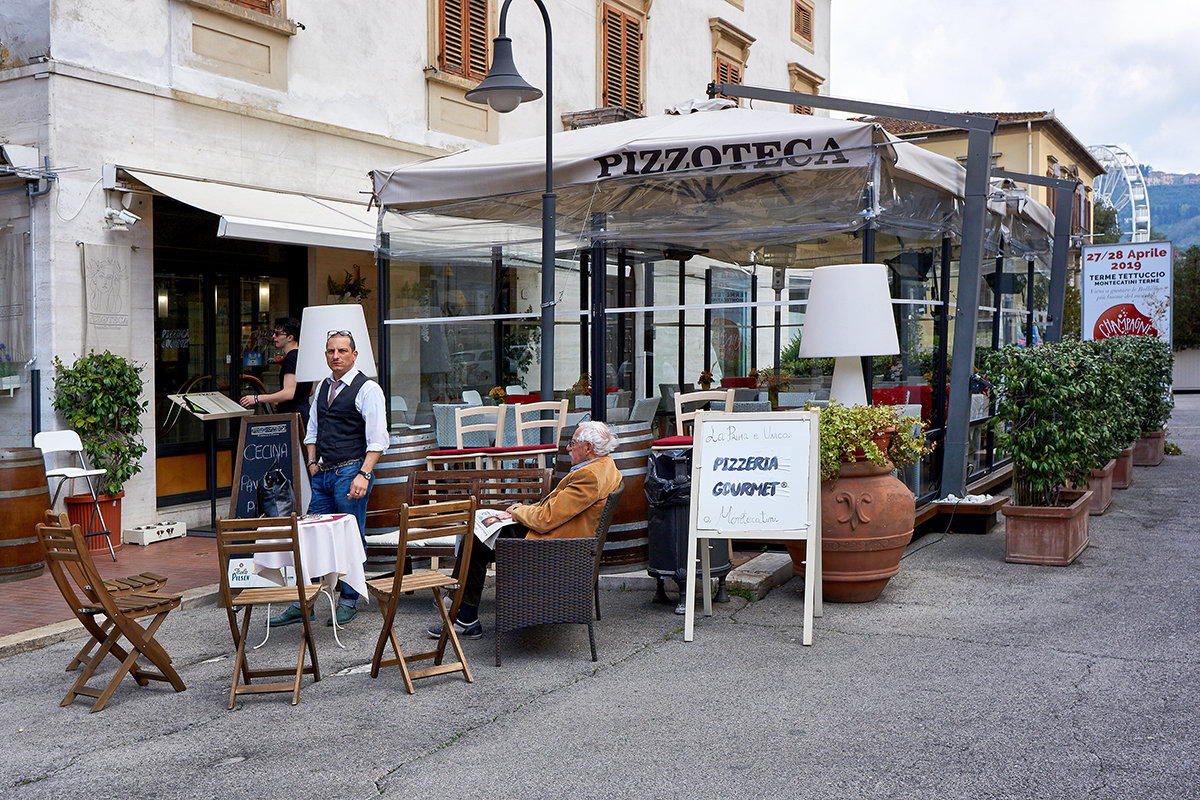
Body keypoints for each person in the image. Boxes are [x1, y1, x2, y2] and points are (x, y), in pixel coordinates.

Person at [428, 420, 623, 640]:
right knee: (477, 536)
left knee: (474, 537)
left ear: (588, 448)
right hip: (567, 540)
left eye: (573, 443)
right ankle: (462, 610)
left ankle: (460, 607)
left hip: (555, 547)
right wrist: (520, 511)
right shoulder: (607, 466)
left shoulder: (588, 476)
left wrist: (517, 511)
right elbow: (556, 511)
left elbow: (545, 519)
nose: (568, 448)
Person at [270, 330, 388, 627]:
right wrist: (311, 462)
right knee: (309, 536)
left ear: (354, 354)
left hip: (352, 472)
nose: (336, 356)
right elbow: (313, 429)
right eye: (331, 351)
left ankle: (348, 600)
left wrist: (364, 473)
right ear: (325, 355)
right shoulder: (323, 386)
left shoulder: (367, 389)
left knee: (349, 538)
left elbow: (378, 440)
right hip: (323, 473)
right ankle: (304, 601)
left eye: (342, 351)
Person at [239, 317, 313, 426]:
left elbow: (289, 393)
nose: (274, 337)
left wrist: (257, 398)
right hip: (305, 414)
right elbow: (310, 391)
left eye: (277, 334)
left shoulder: (290, 358)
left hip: (292, 416)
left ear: (290, 337)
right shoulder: (302, 356)